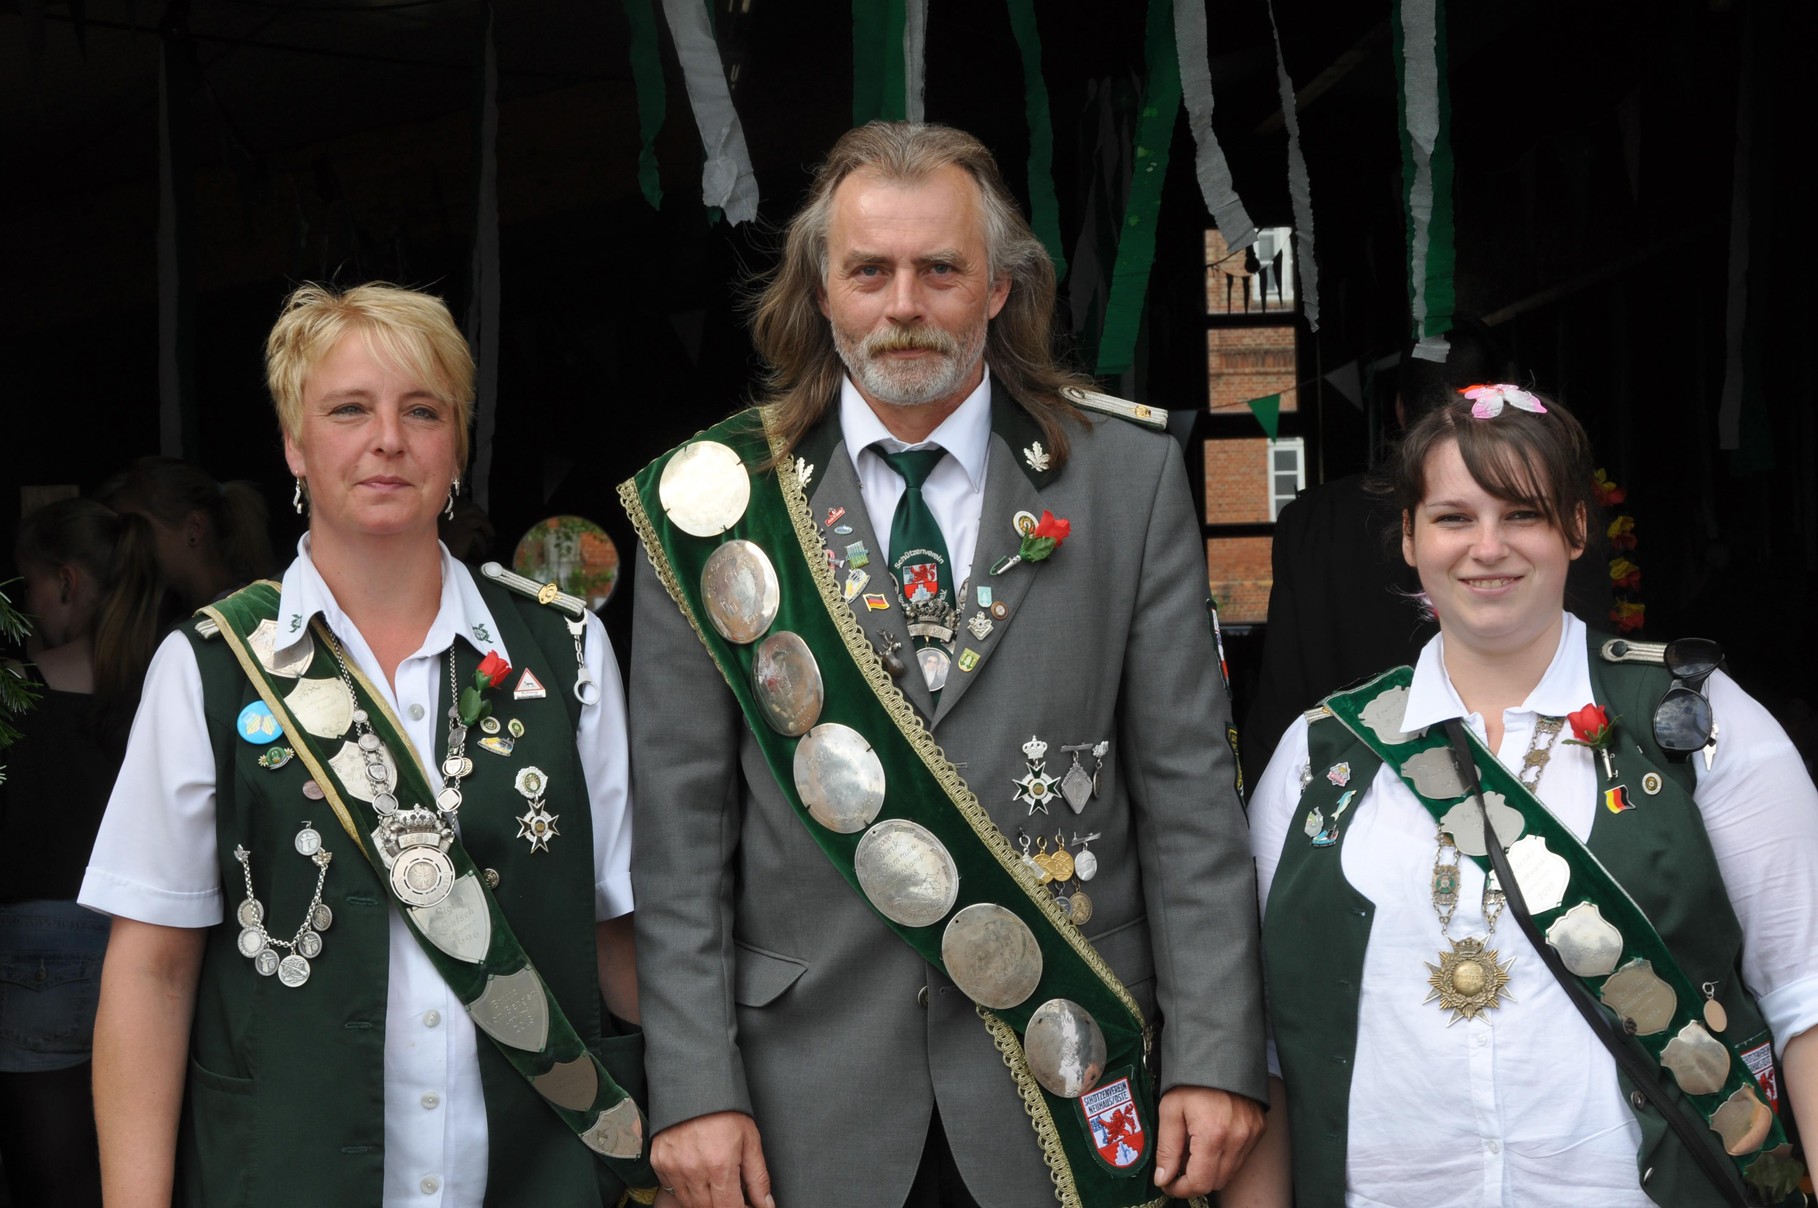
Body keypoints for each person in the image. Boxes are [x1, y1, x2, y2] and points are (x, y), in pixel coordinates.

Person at [622, 121, 1265, 1208]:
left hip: (1066, 1079)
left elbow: (1191, 803)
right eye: (869, 270)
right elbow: (680, 845)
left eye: (940, 269)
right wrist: (692, 1086)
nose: (904, 303)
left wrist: (1213, 1053)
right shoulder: (713, 504)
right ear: (821, 290)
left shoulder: (1124, 479)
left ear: (1000, 288)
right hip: (803, 1102)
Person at [80, 283, 653, 1206]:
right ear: (295, 445)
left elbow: (622, 932)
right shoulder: (208, 668)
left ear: (458, 444)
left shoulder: (568, 650)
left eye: (422, 410)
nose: (388, 438)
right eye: (349, 409)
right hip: (282, 1171)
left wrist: (718, 1105)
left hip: (534, 1178)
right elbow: (150, 968)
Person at [1228, 387, 1817, 1206]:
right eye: (1453, 518)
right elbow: (1262, 1048)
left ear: (1576, 528)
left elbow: (1805, 996)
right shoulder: (1318, 757)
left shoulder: (1700, 723)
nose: (1488, 547)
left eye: (1523, 514)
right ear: (1408, 537)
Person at [0, 499, 161, 1208]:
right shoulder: (171, 681)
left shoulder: (15, 693)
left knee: (51, 1184)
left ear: (66, 582)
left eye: (29, 585)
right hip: (158, 947)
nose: (25, 604)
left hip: (38, 948)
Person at [97, 455, 276, 614]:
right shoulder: (181, 615)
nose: (126, 543)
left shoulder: (236, 618)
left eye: (137, 527)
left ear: (194, 528)